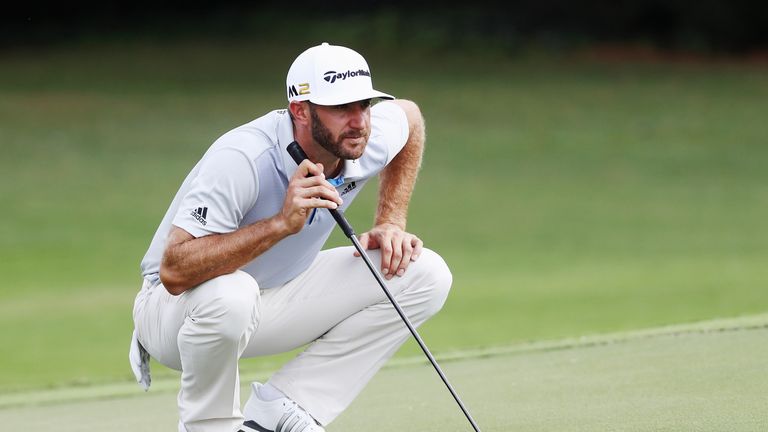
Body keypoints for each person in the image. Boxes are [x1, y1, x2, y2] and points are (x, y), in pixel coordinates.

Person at [130, 42, 452, 432]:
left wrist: (391, 221)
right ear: (300, 110)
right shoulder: (243, 157)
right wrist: (279, 225)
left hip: (275, 297)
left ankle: (283, 407)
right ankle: (208, 426)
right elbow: (174, 271)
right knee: (232, 293)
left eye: (364, 105)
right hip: (175, 313)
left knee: (424, 273)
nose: (359, 121)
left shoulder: (359, 138)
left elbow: (410, 117)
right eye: (341, 107)